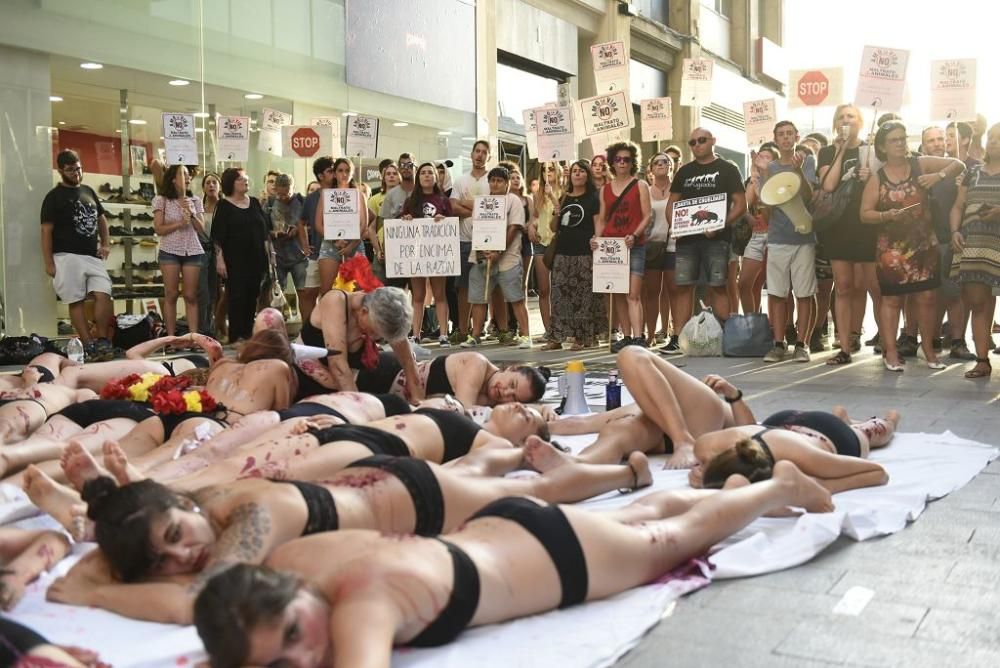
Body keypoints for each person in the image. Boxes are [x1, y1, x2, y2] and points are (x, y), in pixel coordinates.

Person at [191, 462, 833, 666]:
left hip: (552, 554)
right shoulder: (291, 562)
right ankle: (711, 490)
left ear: (291, 596)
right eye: (279, 665)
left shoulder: (361, 605)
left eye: (297, 637)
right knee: (643, 520)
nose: (302, 660)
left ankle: (777, 486)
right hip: (500, 531)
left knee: (681, 536)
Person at [39, 427, 650, 624]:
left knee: (535, 496)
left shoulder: (248, 517)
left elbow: (202, 600)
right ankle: (606, 471)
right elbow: (172, 557)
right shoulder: (202, 502)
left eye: (175, 539)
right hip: (366, 486)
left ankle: (622, 472)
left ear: (184, 513)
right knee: (523, 488)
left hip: (412, 495)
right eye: (162, 560)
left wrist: (102, 592)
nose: (183, 558)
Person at [859, 121, 965, 371]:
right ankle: (891, 352)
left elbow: (958, 164)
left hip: (923, 245)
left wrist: (937, 176)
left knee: (927, 298)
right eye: (894, 140)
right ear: (883, 147)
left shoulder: (921, 164)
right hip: (891, 251)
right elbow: (864, 214)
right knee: (892, 301)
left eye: (902, 138)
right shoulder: (877, 178)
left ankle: (928, 349)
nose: (900, 143)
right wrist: (886, 216)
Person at [692, 407, 895, 493]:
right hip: (782, 421)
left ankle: (892, 418)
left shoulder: (808, 459)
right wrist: (705, 470)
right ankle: (843, 417)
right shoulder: (708, 446)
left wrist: (824, 485)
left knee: (875, 431)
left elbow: (877, 472)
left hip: (832, 436)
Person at [667, 129, 747, 337]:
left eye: (701, 140)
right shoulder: (683, 172)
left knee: (718, 287)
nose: (697, 145)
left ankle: (723, 337)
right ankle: (678, 338)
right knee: (683, 288)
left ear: (713, 141)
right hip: (686, 240)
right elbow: (671, 205)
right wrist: (674, 226)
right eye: (692, 142)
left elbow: (741, 205)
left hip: (717, 240)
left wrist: (721, 225)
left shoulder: (728, 169)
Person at [40, 149, 115, 361]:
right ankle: (89, 345)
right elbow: (46, 230)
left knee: (104, 293)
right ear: (61, 170)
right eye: (71, 170)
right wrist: (49, 262)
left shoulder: (89, 191)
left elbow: (102, 219)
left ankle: (102, 340)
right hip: (65, 255)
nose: (76, 173)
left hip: (92, 255)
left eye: (79, 168)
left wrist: (106, 243)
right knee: (76, 300)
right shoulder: (53, 197)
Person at [818, 105, 877, 364]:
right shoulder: (828, 151)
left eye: (850, 116)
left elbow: (883, 185)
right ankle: (843, 346)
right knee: (842, 286)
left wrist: (871, 176)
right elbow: (828, 184)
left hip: (866, 225)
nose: (845, 120)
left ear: (860, 122)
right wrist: (840, 150)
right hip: (838, 226)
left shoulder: (872, 151)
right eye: (841, 117)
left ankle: (861, 333)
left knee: (865, 285)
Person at [298, 285, 424, 401]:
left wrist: (418, 401)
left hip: (351, 382)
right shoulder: (335, 301)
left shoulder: (386, 309)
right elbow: (338, 365)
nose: (374, 338)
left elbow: (408, 361)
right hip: (307, 382)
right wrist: (360, 407)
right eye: (373, 332)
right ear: (364, 311)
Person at [761, 121, 817, 363]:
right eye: (780, 135)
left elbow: (808, 196)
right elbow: (765, 208)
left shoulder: (807, 161)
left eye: (789, 134)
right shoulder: (769, 167)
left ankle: (802, 344)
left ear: (796, 136)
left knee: (804, 293)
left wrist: (799, 171)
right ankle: (778, 342)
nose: (785, 138)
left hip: (803, 238)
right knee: (776, 293)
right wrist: (762, 174)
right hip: (777, 238)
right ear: (775, 138)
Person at [950, 123, 1000, 378]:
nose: (993, 142)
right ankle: (982, 359)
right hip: (974, 244)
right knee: (978, 303)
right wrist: (955, 231)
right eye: (991, 137)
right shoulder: (972, 172)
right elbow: (958, 206)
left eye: (999, 139)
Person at [462, 167, 531, 349]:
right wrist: (483, 250)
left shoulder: (513, 200)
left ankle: (525, 336)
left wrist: (499, 251)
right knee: (478, 298)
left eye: (500, 181)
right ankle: (475, 335)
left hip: (508, 259)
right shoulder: (483, 202)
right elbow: (478, 229)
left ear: (507, 183)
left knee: (515, 298)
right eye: (493, 180)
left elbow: (514, 227)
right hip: (482, 257)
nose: (496, 184)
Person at [593, 142, 653, 352]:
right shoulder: (605, 190)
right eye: (618, 159)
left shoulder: (640, 185)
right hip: (611, 245)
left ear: (632, 162)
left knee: (633, 294)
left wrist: (635, 235)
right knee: (617, 293)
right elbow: (602, 219)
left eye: (626, 159)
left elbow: (647, 215)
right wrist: (596, 239)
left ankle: (638, 337)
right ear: (612, 162)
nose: (622, 163)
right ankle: (626, 336)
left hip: (634, 245)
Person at [545, 160, 606, 350]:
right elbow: (554, 227)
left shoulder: (594, 198)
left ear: (587, 175)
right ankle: (557, 337)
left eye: (581, 171)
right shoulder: (564, 197)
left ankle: (583, 337)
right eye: (574, 171)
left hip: (585, 254)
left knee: (584, 297)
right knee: (559, 295)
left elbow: (598, 225)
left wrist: (598, 246)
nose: (577, 174)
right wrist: (556, 210)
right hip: (563, 253)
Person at [211, 168, 269, 343]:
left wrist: (270, 254)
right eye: (241, 179)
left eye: (246, 178)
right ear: (231, 183)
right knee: (236, 297)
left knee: (252, 295)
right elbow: (217, 237)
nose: (246, 181)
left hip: (257, 257)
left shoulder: (255, 202)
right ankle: (235, 336)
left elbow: (265, 232)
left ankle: (248, 334)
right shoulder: (224, 205)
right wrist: (219, 261)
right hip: (234, 260)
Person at [401, 162, 453, 347]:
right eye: (423, 173)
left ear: (436, 177)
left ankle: (444, 335)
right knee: (418, 295)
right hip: (416, 253)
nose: (427, 175)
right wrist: (406, 219)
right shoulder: (410, 201)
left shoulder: (443, 200)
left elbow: (451, 226)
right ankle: (415, 335)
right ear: (418, 177)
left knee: (439, 294)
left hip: (437, 253)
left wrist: (444, 220)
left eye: (430, 172)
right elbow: (403, 226)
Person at [153, 165, 205, 337]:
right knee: (171, 294)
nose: (187, 176)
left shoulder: (195, 200)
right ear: (173, 179)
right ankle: (171, 337)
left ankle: (193, 337)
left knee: (190, 295)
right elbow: (159, 229)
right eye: (182, 173)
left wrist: (191, 213)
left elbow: (201, 228)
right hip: (170, 250)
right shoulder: (162, 200)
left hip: (192, 250)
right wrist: (179, 224)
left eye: (188, 174)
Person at [449, 140, 492, 343]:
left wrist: (466, 203)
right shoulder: (460, 180)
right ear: (471, 154)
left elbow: (493, 207)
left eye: (484, 152)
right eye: (477, 151)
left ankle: (479, 330)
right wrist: (478, 207)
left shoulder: (492, 181)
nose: (480, 155)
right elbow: (453, 208)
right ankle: (462, 328)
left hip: (487, 241)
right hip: (464, 240)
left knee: (483, 288)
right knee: (463, 287)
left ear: (489, 156)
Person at [315, 158, 369, 295]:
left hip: (355, 245)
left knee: (359, 293)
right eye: (340, 170)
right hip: (330, 246)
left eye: (347, 170)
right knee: (326, 292)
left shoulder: (359, 195)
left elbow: (363, 224)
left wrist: (351, 246)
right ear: (334, 173)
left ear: (352, 173)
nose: (344, 174)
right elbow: (318, 224)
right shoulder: (326, 195)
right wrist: (335, 240)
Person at [642, 152, 677, 350]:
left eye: (666, 161)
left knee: (674, 291)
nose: (661, 164)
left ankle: (675, 334)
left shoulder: (679, 191)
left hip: (674, 245)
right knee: (651, 293)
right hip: (651, 246)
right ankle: (650, 334)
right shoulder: (645, 191)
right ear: (651, 169)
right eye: (657, 162)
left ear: (672, 167)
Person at [297, 156, 336, 323]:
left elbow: (368, 216)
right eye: (330, 170)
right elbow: (301, 222)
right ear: (320, 176)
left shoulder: (344, 192)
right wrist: (305, 245)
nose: (334, 173)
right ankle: (308, 330)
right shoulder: (312, 198)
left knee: (333, 293)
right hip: (317, 252)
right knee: (308, 292)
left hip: (340, 252)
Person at [739, 144, 776, 315]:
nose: (762, 160)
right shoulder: (753, 180)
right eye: (760, 156)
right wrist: (755, 177)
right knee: (745, 283)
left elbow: (771, 202)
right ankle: (751, 323)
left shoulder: (779, 179)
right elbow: (746, 204)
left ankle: (778, 329)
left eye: (767, 157)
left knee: (777, 286)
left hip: (777, 236)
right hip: (757, 236)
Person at [528, 161, 561, 343]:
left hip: (558, 243)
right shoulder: (537, 194)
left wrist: (553, 196)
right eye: (544, 169)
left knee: (559, 288)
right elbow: (535, 217)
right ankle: (548, 330)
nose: (547, 172)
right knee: (543, 289)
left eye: (550, 168)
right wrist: (531, 228)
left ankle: (559, 329)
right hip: (541, 243)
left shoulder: (564, 191)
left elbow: (560, 213)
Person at [267, 174, 308, 315]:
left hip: (300, 255)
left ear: (292, 188)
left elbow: (314, 225)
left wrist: (299, 230)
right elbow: (263, 230)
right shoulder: (269, 203)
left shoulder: (303, 202)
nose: (283, 198)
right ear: (275, 190)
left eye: (287, 194)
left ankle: (306, 329)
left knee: (304, 294)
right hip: (277, 256)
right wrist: (275, 233)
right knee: (277, 295)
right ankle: (278, 328)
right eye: (280, 194)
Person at [199, 173, 222, 336]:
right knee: (203, 292)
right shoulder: (198, 206)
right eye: (207, 183)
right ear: (203, 187)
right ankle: (204, 327)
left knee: (216, 292)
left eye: (214, 182)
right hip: (200, 251)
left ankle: (216, 326)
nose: (211, 185)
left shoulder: (224, 207)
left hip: (218, 251)